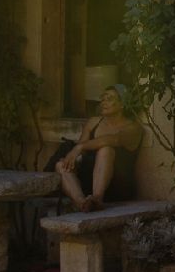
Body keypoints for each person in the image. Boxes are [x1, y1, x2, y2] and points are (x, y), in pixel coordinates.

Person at [55, 84, 143, 212]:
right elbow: (81, 153)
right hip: (88, 184)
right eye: (103, 98)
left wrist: (79, 147)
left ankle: (97, 199)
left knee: (106, 150)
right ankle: (82, 203)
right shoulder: (94, 122)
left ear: (122, 104)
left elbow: (114, 139)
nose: (104, 102)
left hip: (116, 187)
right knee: (61, 165)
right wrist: (73, 160)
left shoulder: (133, 128)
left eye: (110, 98)